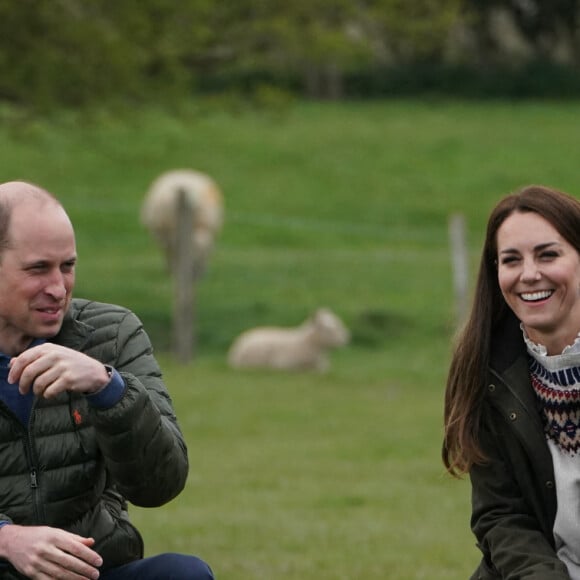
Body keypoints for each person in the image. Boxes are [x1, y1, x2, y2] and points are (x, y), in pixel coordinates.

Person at [0, 181, 214, 580]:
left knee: (184, 574)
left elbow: (160, 484)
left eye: (68, 266)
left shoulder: (111, 335)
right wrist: (8, 539)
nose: (57, 288)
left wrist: (107, 388)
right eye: (37, 268)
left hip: (92, 569)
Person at [442, 184, 580, 579]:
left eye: (548, 254)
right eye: (511, 260)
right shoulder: (484, 372)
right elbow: (502, 515)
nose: (529, 274)